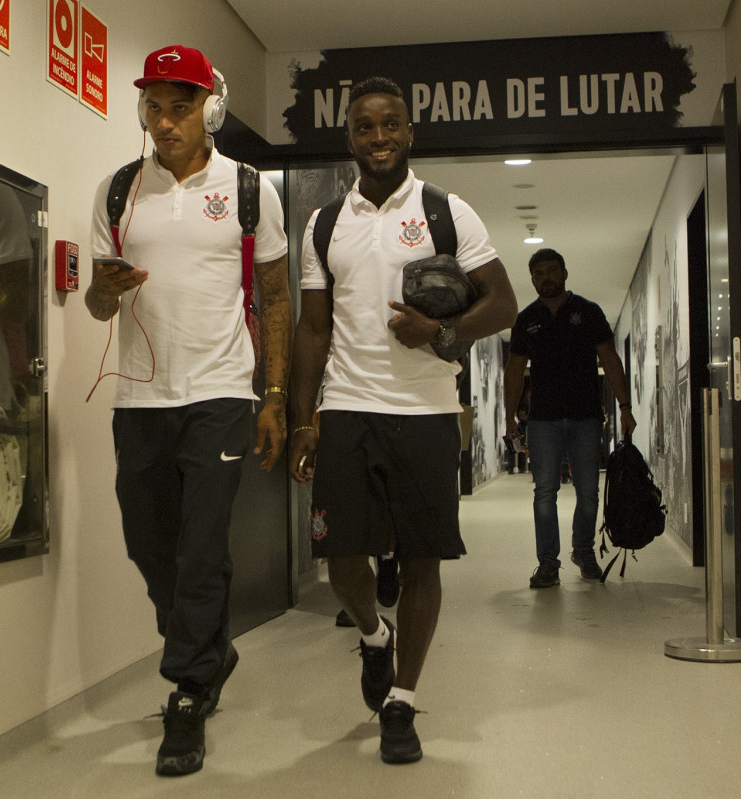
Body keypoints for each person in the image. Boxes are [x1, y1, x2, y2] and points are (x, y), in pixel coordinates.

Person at [288, 77, 517, 765]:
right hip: (348, 407)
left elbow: (502, 303)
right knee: (339, 558)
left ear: (410, 132)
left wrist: (443, 335)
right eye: (365, 126)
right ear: (350, 137)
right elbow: (311, 329)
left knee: (422, 558)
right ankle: (372, 635)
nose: (379, 137)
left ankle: (402, 700)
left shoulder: (449, 213)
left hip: (424, 412)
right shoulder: (325, 224)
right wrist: (303, 419)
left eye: (391, 125)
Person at [85, 44, 291, 778]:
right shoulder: (118, 192)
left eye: (181, 105)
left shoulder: (246, 190)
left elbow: (274, 296)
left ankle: (188, 691)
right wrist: (107, 289)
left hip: (222, 390)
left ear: (212, 108)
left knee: (203, 545)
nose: (165, 120)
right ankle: (210, 648)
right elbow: (96, 301)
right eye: (153, 105)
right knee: (150, 542)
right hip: (139, 392)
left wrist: (274, 397)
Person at [504, 248, 636, 587]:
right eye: (539, 273)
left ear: (565, 273)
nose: (546, 277)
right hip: (543, 420)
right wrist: (509, 418)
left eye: (552, 270)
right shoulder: (527, 319)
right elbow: (515, 370)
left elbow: (610, 359)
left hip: (585, 417)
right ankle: (548, 563)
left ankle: (584, 551)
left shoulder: (588, 312)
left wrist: (625, 406)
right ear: (532, 278)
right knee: (545, 492)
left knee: (588, 490)